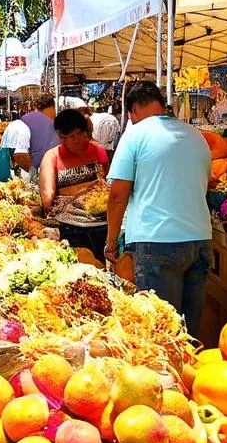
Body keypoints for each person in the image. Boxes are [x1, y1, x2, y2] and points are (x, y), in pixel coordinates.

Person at [105, 80, 212, 335]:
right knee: (189, 332)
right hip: (200, 241)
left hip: (156, 243)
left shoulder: (135, 135)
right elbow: (206, 182)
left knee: (160, 334)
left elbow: (117, 195)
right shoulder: (196, 136)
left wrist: (111, 243)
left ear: (133, 110)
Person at [39, 109, 109, 213]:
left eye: (72, 136)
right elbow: (47, 196)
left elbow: (105, 185)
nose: (68, 142)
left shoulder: (98, 151)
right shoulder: (52, 157)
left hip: (98, 219)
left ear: (83, 132)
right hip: (64, 223)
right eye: (62, 138)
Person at [0, 94, 58, 177]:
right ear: (52, 107)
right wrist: (35, 174)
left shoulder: (28, 121)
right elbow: (20, 155)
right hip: (26, 173)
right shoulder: (29, 125)